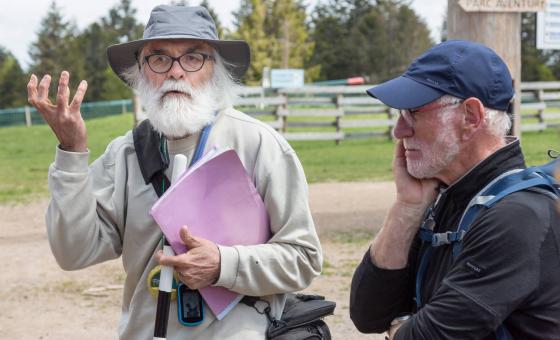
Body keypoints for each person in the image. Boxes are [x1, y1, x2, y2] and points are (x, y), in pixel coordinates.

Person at [27, 5, 322, 339]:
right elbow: (72, 252)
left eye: (193, 57)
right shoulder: (123, 155)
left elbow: (304, 258)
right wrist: (72, 152)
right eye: (159, 59)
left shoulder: (259, 145)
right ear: (140, 71)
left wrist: (224, 265)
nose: (176, 72)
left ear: (216, 69)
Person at [349, 40, 560, 339]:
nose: (400, 130)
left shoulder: (517, 217)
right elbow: (369, 314)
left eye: (414, 112)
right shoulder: (448, 196)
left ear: (471, 117)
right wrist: (407, 207)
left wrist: (399, 329)